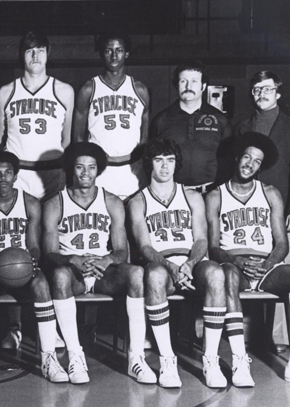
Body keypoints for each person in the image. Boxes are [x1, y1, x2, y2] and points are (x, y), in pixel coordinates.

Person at [205, 132, 290, 388]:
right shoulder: (216, 195)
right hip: (234, 266)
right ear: (237, 157)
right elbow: (213, 247)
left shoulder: (270, 193)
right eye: (247, 157)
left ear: (262, 166)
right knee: (226, 274)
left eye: (257, 161)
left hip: (266, 266)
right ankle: (240, 359)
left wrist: (268, 264)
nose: (250, 164)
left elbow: (282, 243)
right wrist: (237, 262)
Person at [42, 142, 152, 384]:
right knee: (59, 275)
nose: (85, 173)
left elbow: (122, 250)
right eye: (80, 167)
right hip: (73, 275)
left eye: (91, 167)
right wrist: (71, 259)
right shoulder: (54, 203)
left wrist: (108, 259)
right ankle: (75, 356)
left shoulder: (111, 201)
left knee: (135, 274)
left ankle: (136, 358)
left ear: (98, 170)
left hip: (104, 273)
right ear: (71, 168)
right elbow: (48, 254)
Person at [127, 139, 227, 388]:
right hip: (162, 263)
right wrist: (171, 267)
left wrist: (190, 264)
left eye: (170, 160)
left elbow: (202, 239)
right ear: (149, 163)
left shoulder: (192, 196)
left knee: (216, 273)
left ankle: (211, 360)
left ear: (176, 164)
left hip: (191, 262)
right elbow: (145, 247)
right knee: (154, 277)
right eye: (159, 160)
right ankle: (167, 360)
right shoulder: (138, 201)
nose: (165, 166)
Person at [0, 151, 68, 383]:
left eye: (8, 173)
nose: (3, 178)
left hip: (22, 266)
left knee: (41, 282)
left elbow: (33, 245)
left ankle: (49, 357)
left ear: (15, 176)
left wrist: (32, 260)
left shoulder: (30, 203)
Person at [235, 71, 290, 352]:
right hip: (246, 209)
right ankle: (247, 333)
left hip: (280, 212)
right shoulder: (241, 127)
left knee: (281, 271)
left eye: (266, 89)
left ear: (278, 93)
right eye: (255, 90)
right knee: (249, 268)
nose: (261, 94)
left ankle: (278, 337)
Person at [0, 31, 73, 201]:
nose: (35, 56)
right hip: (19, 175)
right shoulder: (6, 92)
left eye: (40, 50)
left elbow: (66, 140)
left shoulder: (64, 91)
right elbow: (0, 140)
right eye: (30, 51)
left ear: (48, 54)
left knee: (51, 226)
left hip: (53, 173)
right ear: (22, 55)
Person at [71, 34, 149, 200]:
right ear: (101, 54)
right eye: (108, 51)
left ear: (126, 53)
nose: (114, 56)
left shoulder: (140, 89)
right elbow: (78, 137)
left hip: (131, 171)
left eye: (119, 50)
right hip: (101, 170)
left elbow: (144, 136)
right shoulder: (88, 89)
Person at [149, 60, 233, 192]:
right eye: (183, 81)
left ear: (203, 86)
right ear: (177, 85)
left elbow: (228, 161)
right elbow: (151, 161)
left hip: (210, 194)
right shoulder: (161, 120)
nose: (188, 86)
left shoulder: (220, 119)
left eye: (194, 81)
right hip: (172, 195)